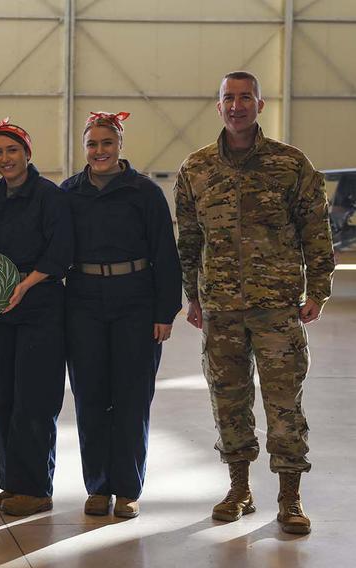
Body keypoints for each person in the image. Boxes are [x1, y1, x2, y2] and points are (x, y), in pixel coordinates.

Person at [175, 71, 335, 534]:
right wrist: (193, 297)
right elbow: (188, 239)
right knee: (229, 400)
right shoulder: (196, 169)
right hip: (220, 307)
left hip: (278, 307)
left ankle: (289, 498)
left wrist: (318, 289)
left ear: (260, 105)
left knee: (284, 404)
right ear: (218, 105)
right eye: (229, 98)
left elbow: (315, 230)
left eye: (246, 97)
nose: (237, 105)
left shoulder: (290, 164)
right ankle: (239, 489)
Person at [60, 111, 181, 518]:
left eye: (106, 143)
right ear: (84, 149)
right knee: (91, 396)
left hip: (135, 301)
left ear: (119, 145)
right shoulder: (69, 192)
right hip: (83, 303)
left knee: (131, 398)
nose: (99, 151)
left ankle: (128, 488)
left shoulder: (143, 193)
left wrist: (165, 310)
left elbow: (166, 253)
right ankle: (97, 487)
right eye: (92, 144)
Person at [0, 118, 73, 516]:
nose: (4, 159)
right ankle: (11, 482)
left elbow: (61, 251)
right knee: (3, 397)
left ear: (27, 153)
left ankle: (35, 488)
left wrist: (25, 283)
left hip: (40, 304)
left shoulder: (50, 196)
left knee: (35, 398)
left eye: (11, 150)